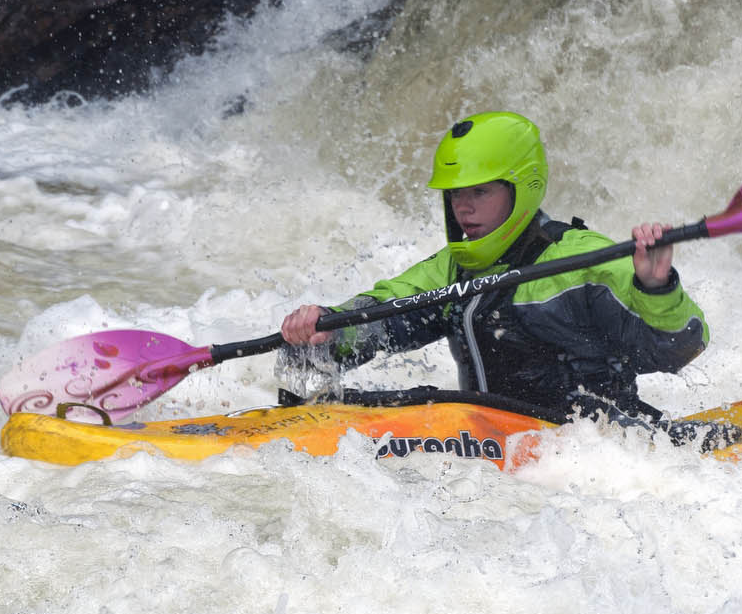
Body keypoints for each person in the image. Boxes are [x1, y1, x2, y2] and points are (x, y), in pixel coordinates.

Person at [279, 111, 709, 430]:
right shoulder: (454, 270)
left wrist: (656, 287)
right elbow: (386, 313)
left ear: (524, 188)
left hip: (596, 451)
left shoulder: (586, 262)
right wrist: (331, 330)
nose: (463, 207)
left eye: (480, 192)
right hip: (496, 445)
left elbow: (677, 349)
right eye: (455, 194)